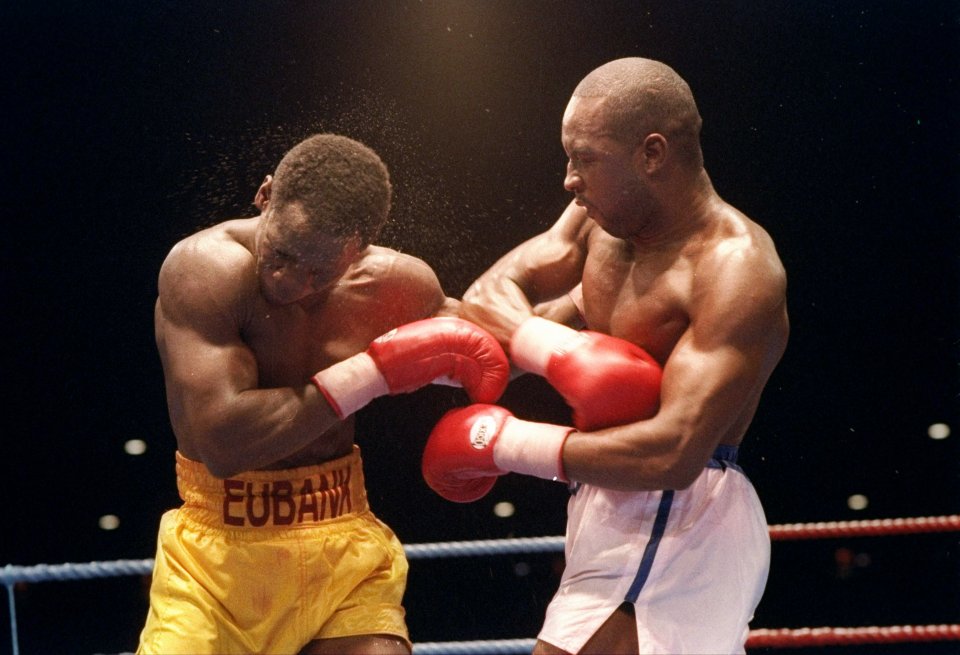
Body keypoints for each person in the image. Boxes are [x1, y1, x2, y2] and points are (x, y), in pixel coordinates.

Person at [421, 58, 789, 654]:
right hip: (608, 508)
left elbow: (673, 453)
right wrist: (542, 343)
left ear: (651, 153)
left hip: (680, 516)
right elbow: (491, 298)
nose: (569, 179)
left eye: (585, 157)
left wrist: (510, 445)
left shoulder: (733, 267)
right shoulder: (599, 225)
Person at [138, 133, 510, 655]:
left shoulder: (395, 285)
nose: (290, 281)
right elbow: (222, 443)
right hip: (215, 559)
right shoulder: (207, 270)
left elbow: (487, 353)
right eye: (282, 253)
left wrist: (569, 343)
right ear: (264, 196)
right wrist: (374, 373)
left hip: (341, 538)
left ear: (357, 252)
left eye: (319, 270)